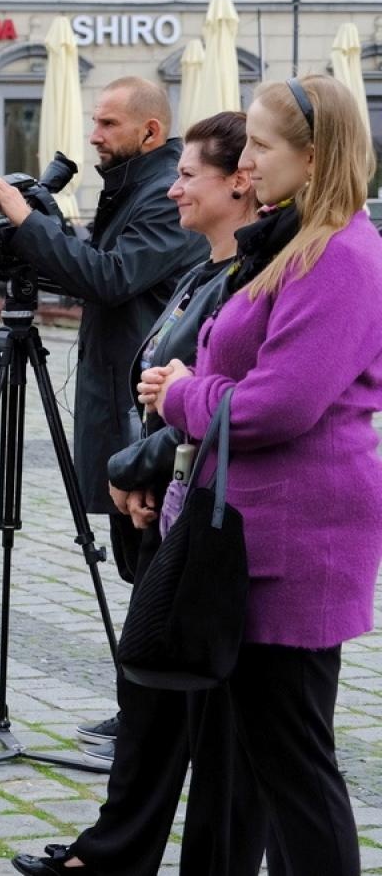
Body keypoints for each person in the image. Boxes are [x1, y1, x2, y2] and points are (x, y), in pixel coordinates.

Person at [14, 112, 265, 876]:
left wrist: (137, 465)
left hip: (213, 516)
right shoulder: (205, 271)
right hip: (171, 501)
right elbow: (156, 379)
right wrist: (143, 467)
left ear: (240, 183)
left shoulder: (246, 282)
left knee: (202, 713)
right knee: (149, 692)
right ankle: (114, 851)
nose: (174, 188)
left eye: (188, 176)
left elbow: (228, 400)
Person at [143, 76, 382, 876]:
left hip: (295, 537)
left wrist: (184, 393)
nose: (245, 160)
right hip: (251, 530)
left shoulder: (339, 255)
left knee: (293, 762)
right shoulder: (298, 240)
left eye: (261, 145)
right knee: (243, 756)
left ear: (315, 158)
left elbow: (280, 404)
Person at [0, 76, 206, 759]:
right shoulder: (134, 186)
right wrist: (37, 234)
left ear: (150, 130)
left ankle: (154, 720)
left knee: (153, 565)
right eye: (95, 121)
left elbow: (109, 277)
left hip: (146, 407)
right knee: (140, 565)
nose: (94, 136)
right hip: (124, 398)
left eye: (108, 124)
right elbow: (92, 271)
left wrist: (29, 223)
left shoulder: (163, 193)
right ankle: (143, 711)